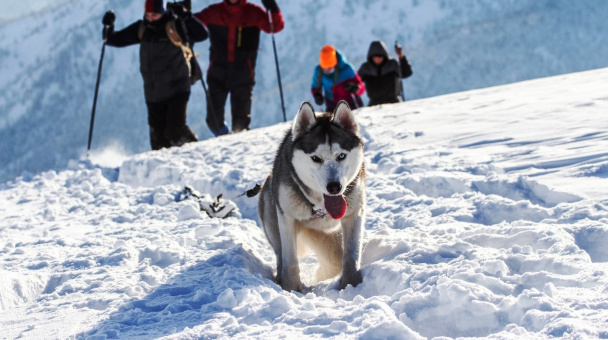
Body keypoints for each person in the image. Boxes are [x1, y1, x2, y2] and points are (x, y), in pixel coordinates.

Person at [101, 0, 208, 150]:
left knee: (175, 131)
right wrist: (108, 27)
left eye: (155, 14)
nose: (150, 18)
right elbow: (112, 40)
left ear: (163, 12)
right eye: (148, 14)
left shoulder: (175, 26)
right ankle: (169, 172)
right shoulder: (142, 29)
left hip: (177, 88)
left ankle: (197, 157)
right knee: (158, 142)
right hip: (153, 93)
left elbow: (202, 34)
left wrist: (186, 17)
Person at [193, 0, 284, 137]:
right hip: (217, 73)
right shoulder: (214, 12)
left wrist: (272, 7)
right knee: (213, 121)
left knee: (241, 125)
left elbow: (275, 27)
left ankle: (237, 147)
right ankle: (225, 138)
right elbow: (191, 26)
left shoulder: (254, 12)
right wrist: (183, 11)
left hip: (243, 75)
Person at [357, 40, 413, 106]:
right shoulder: (366, 68)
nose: (377, 59)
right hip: (374, 104)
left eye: (380, 56)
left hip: (394, 102)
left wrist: (401, 56)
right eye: (375, 57)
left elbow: (406, 73)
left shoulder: (392, 64)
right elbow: (357, 81)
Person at [311, 45, 364, 112]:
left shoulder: (347, 69)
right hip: (331, 105)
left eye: (329, 67)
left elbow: (361, 87)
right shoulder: (319, 72)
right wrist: (317, 95)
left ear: (335, 63)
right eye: (324, 67)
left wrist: (356, 88)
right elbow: (315, 87)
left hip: (351, 105)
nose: (327, 70)